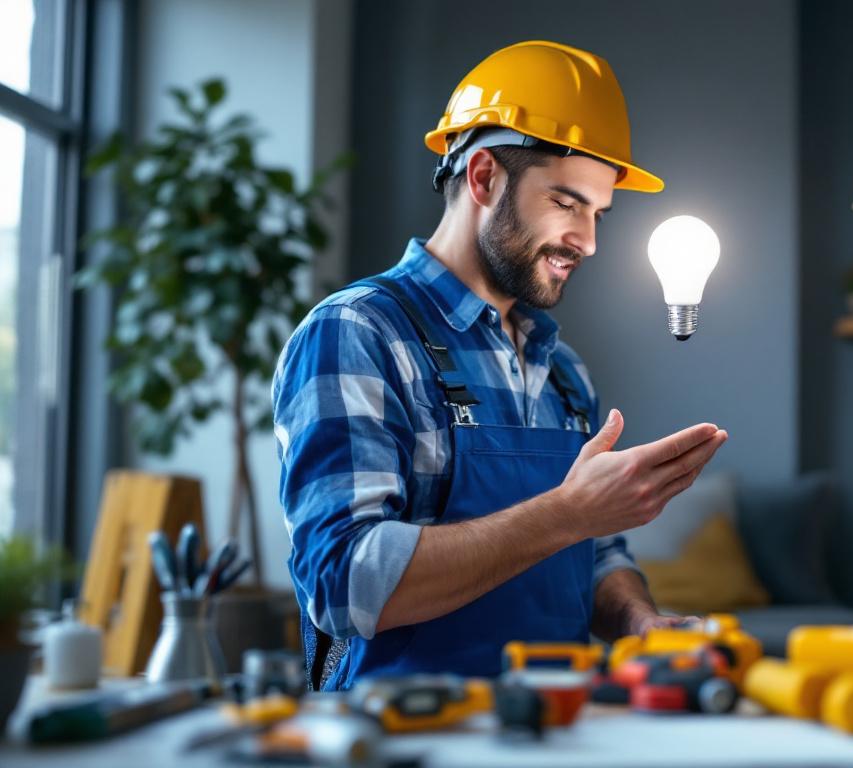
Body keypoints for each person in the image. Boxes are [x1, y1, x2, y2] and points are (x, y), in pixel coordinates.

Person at [272, 40, 728, 690]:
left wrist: (637, 621)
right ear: (484, 178)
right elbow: (346, 583)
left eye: (599, 213)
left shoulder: (564, 372)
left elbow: (595, 551)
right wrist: (567, 512)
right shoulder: (358, 333)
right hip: (404, 739)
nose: (590, 241)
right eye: (568, 203)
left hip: (557, 730)